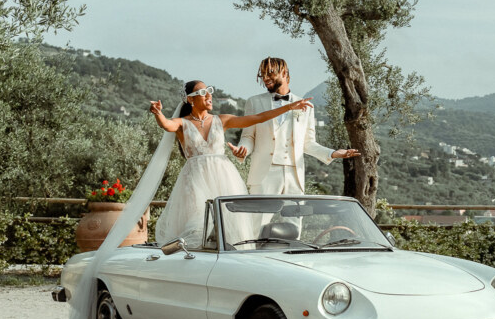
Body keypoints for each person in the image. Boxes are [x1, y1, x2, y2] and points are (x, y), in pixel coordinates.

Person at [150, 80, 313, 244]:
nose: (209, 95)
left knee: (230, 224)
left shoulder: (222, 120)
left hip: (224, 179)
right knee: (197, 223)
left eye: (209, 91)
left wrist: (289, 107)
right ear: (191, 99)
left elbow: (258, 118)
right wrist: (158, 113)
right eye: (202, 92)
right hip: (195, 181)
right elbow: (166, 124)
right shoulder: (182, 123)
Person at [230, 57, 360, 195]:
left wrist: (332, 153)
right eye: (263, 75)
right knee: (260, 217)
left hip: (294, 176)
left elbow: (308, 143)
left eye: (270, 73)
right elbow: (248, 136)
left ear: (284, 73)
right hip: (263, 175)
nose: (265, 78)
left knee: (294, 217)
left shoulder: (306, 105)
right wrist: (242, 149)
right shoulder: (254, 102)